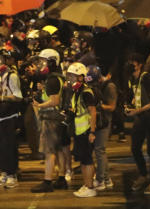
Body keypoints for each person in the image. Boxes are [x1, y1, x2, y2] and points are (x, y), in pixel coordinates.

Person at [31, 48, 65, 192]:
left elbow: (54, 100)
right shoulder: (59, 77)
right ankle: (62, 178)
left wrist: (40, 105)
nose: (41, 64)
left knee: (49, 151)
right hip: (59, 117)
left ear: (51, 62)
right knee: (59, 150)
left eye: (43, 61)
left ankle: (47, 181)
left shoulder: (52, 79)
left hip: (51, 117)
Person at [0, 48, 22, 189]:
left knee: (9, 147)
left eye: (1, 59)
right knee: (0, 147)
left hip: (9, 116)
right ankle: (4, 172)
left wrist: (1, 97)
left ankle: (12, 174)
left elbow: (18, 96)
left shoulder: (12, 76)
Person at [127, 54, 150, 194]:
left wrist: (137, 110)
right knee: (135, 148)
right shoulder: (132, 79)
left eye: (133, 62)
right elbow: (137, 97)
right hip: (140, 118)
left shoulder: (146, 77)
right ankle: (144, 174)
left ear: (139, 64)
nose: (130, 65)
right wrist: (131, 106)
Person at [67, 62, 98, 198]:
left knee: (87, 160)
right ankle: (86, 184)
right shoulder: (77, 92)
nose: (70, 79)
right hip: (80, 131)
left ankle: (90, 187)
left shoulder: (86, 92)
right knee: (83, 160)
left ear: (81, 77)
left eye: (73, 76)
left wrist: (92, 131)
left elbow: (93, 112)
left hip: (86, 130)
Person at [90, 66, 116, 191]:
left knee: (100, 150)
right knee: (100, 150)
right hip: (100, 121)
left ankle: (101, 180)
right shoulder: (99, 85)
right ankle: (106, 179)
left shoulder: (110, 87)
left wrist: (99, 106)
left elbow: (112, 107)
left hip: (105, 121)